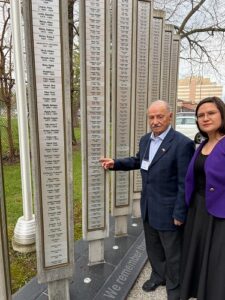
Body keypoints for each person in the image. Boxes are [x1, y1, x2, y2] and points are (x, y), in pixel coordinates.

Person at [100, 100, 195, 300]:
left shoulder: (182, 144)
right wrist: (115, 163)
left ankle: (175, 286)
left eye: (160, 116)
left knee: (173, 252)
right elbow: (138, 161)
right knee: (153, 246)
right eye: (151, 117)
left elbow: (184, 183)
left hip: (169, 211)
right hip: (149, 207)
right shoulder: (145, 141)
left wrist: (180, 212)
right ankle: (158, 276)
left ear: (170, 117)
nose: (155, 121)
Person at [181, 96, 225, 300]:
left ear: (222, 114)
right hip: (197, 209)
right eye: (200, 115)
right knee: (198, 257)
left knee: (216, 263)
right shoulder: (203, 143)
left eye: (211, 113)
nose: (205, 118)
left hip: (219, 214)